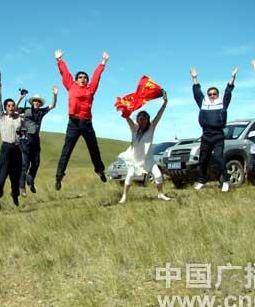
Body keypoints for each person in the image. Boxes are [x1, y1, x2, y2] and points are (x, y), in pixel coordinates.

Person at [54, 49, 109, 190]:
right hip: (74, 123)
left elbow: (96, 76)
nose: (83, 79)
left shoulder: (91, 89)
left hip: (87, 123)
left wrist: (103, 62)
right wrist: (59, 60)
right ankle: (59, 177)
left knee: (94, 149)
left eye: (85, 77)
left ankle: (100, 170)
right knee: (67, 150)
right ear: (76, 79)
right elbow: (65, 73)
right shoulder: (71, 86)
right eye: (80, 77)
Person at [118, 92, 171, 203]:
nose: (142, 120)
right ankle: (124, 196)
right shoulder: (134, 128)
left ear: (148, 119)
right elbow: (127, 117)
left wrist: (164, 103)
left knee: (158, 175)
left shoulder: (152, 127)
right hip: (135, 159)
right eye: (140, 118)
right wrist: (123, 108)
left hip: (148, 159)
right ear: (137, 120)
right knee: (130, 176)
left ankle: (160, 194)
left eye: (145, 118)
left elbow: (159, 115)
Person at [191, 67, 237, 192]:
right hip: (205, 135)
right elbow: (197, 93)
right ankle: (201, 181)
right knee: (203, 160)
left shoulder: (222, 103)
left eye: (214, 94)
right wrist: (194, 78)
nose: (212, 95)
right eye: (210, 94)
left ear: (217, 95)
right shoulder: (203, 103)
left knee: (218, 158)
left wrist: (232, 77)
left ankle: (226, 181)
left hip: (218, 136)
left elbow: (228, 91)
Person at [15, 86, 58, 196]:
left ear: (40, 103)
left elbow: (52, 105)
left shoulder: (42, 112)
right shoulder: (26, 110)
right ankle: (22, 187)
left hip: (36, 139)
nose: (37, 102)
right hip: (26, 139)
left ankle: (30, 180)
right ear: (32, 102)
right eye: (35, 101)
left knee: (36, 162)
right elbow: (15, 108)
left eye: (39, 101)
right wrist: (21, 97)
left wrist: (55, 95)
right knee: (25, 164)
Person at [0, 66, 23, 210]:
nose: (11, 107)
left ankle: (15, 195)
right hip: (6, 148)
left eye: (12, 105)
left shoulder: (19, 118)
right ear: (5, 108)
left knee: (15, 176)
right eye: (8, 105)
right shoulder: (2, 117)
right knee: (2, 175)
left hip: (17, 149)